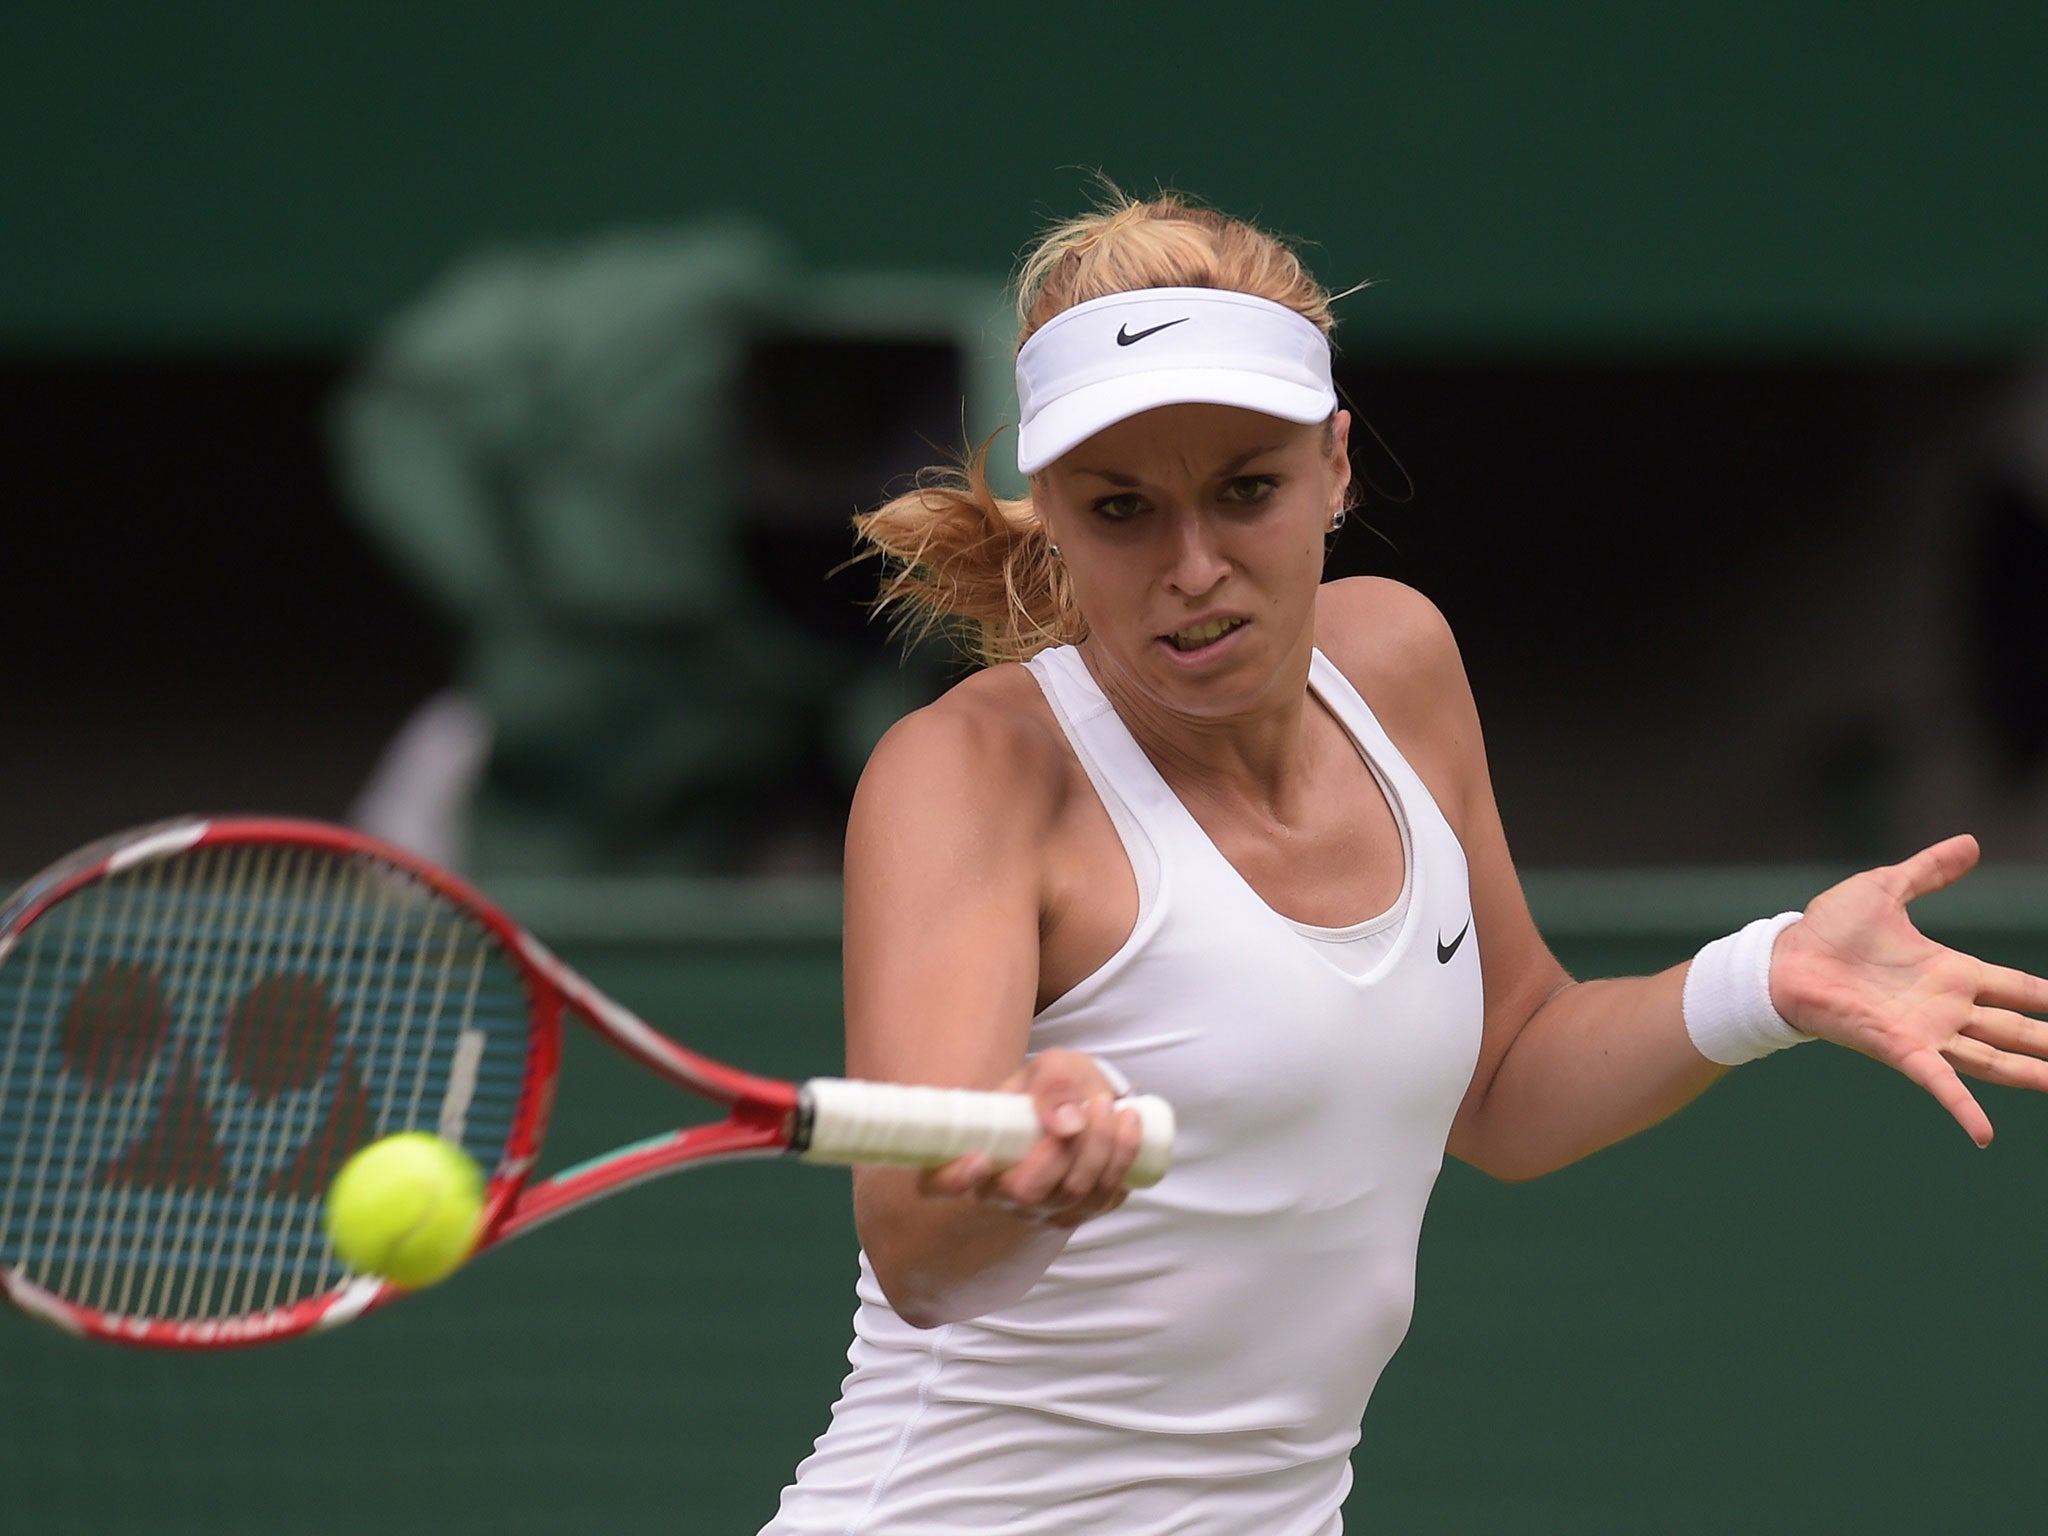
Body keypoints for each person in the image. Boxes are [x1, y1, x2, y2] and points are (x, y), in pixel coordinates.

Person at [757, 192, 2048, 1535]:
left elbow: (1507, 1079)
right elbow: (919, 1256)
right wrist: (1031, 1183)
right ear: (1055, 516)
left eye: (1247, 491)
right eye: (1123, 509)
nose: (1194, 566)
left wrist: (1767, 979)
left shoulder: (1398, 662)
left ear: (1335, 465)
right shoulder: (966, 775)